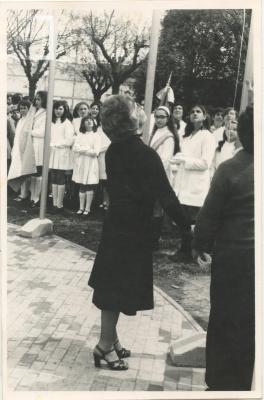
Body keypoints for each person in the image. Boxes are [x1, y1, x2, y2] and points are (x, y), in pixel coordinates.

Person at [88, 95, 192, 371]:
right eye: (135, 108)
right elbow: (166, 196)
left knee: (113, 283)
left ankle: (112, 339)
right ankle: (103, 346)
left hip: (116, 225)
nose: (141, 110)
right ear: (129, 119)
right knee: (115, 287)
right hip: (134, 228)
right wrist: (187, 225)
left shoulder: (114, 150)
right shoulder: (145, 154)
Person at [192, 106, 254, 390]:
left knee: (225, 320)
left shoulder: (230, 169)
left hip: (233, 261)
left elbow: (209, 216)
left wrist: (200, 245)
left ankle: (219, 384)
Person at [169, 105, 216, 261]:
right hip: (183, 183)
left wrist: (184, 160)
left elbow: (205, 163)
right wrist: (177, 160)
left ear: (204, 116)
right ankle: (184, 250)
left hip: (196, 185)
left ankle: (193, 252)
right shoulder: (186, 136)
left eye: (198, 111)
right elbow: (183, 157)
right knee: (184, 220)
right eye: (192, 111)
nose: (194, 113)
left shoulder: (207, 136)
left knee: (194, 221)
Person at [148, 105, 180, 249]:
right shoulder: (154, 132)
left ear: (168, 119)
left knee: (157, 208)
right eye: (157, 117)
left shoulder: (168, 136)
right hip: (149, 174)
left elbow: (165, 159)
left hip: (160, 175)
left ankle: (154, 240)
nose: (159, 120)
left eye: (162, 117)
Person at [72, 115, 101, 215]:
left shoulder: (96, 136)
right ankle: (81, 207)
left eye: (91, 120)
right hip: (81, 162)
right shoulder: (80, 135)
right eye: (86, 120)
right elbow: (75, 148)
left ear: (94, 123)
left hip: (91, 162)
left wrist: (82, 149)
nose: (89, 122)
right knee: (82, 184)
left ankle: (87, 208)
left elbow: (96, 152)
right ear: (83, 123)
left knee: (89, 185)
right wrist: (87, 149)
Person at [49, 100, 75, 212]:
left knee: (60, 177)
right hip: (52, 152)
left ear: (64, 110)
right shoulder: (52, 122)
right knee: (53, 177)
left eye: (60, 109)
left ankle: (59, 204)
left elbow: (69, 141)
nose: (58, 111)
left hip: (62, 153)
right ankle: (54, 203)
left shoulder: (67, 123)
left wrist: (56, 144)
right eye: (56, 108)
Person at [8, 99, 32, 201]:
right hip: (17, 149)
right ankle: (22, 193)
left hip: (26, 149)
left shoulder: (30, 121)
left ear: (29, 109)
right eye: (21, 108)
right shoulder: (20, 121)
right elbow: (16, 137)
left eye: (24, 108)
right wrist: (14, 149)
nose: (22, 110)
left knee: (25, 172)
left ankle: (25, 194)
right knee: (18, 171)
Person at [29, 91, 47, 207]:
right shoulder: (35, 111)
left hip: (40, 144)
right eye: (36, 99)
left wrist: (29, 132)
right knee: (33, 172)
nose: (36, 101)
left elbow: (42, 132)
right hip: (33, 143)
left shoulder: (46, 113)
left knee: (39, 172)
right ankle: (32, 196)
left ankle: (37, 197)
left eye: (39, 99)